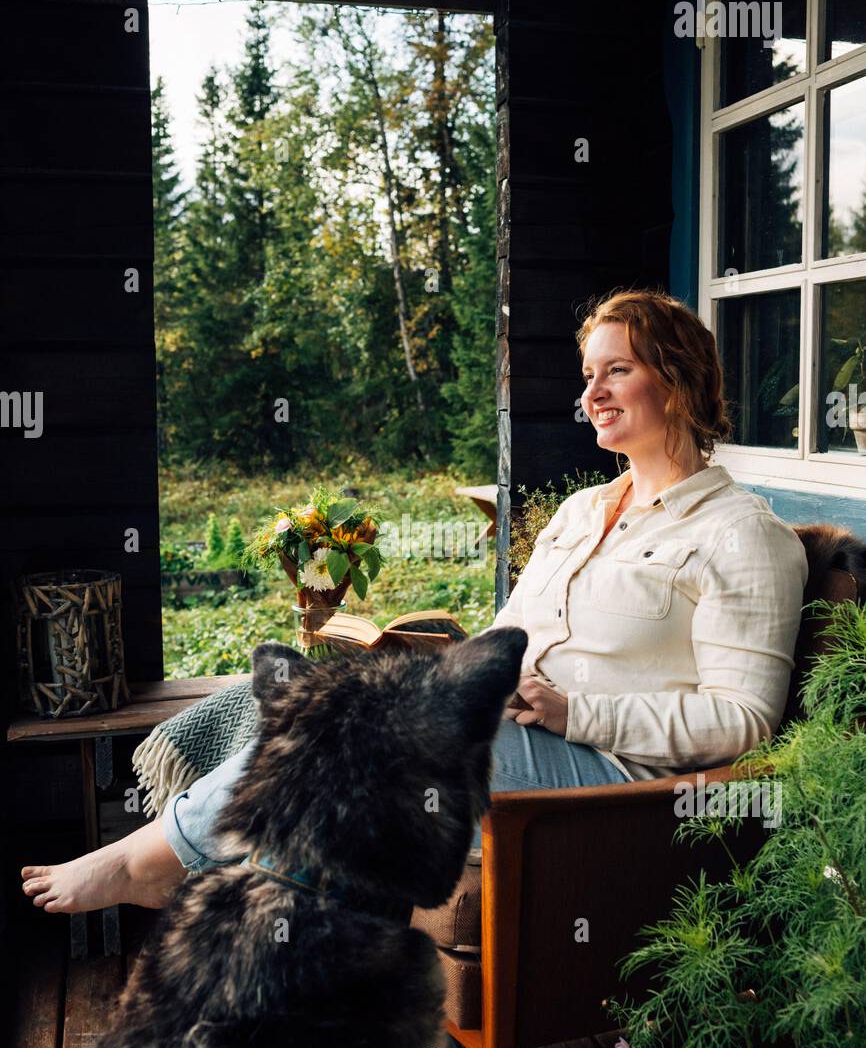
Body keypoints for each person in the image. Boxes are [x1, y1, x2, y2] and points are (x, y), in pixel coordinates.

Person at [21, 289, 808, 916]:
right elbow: (510, 634)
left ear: (679, 378)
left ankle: (150, 862)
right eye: (587, 375)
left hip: (605, 780)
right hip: (501, 728)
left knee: (349, 738)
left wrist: (574, 713)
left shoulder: (743, 536)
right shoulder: (580, 512)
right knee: (311, 716)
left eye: (616, 372)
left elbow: (744, 720)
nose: (591, 394)